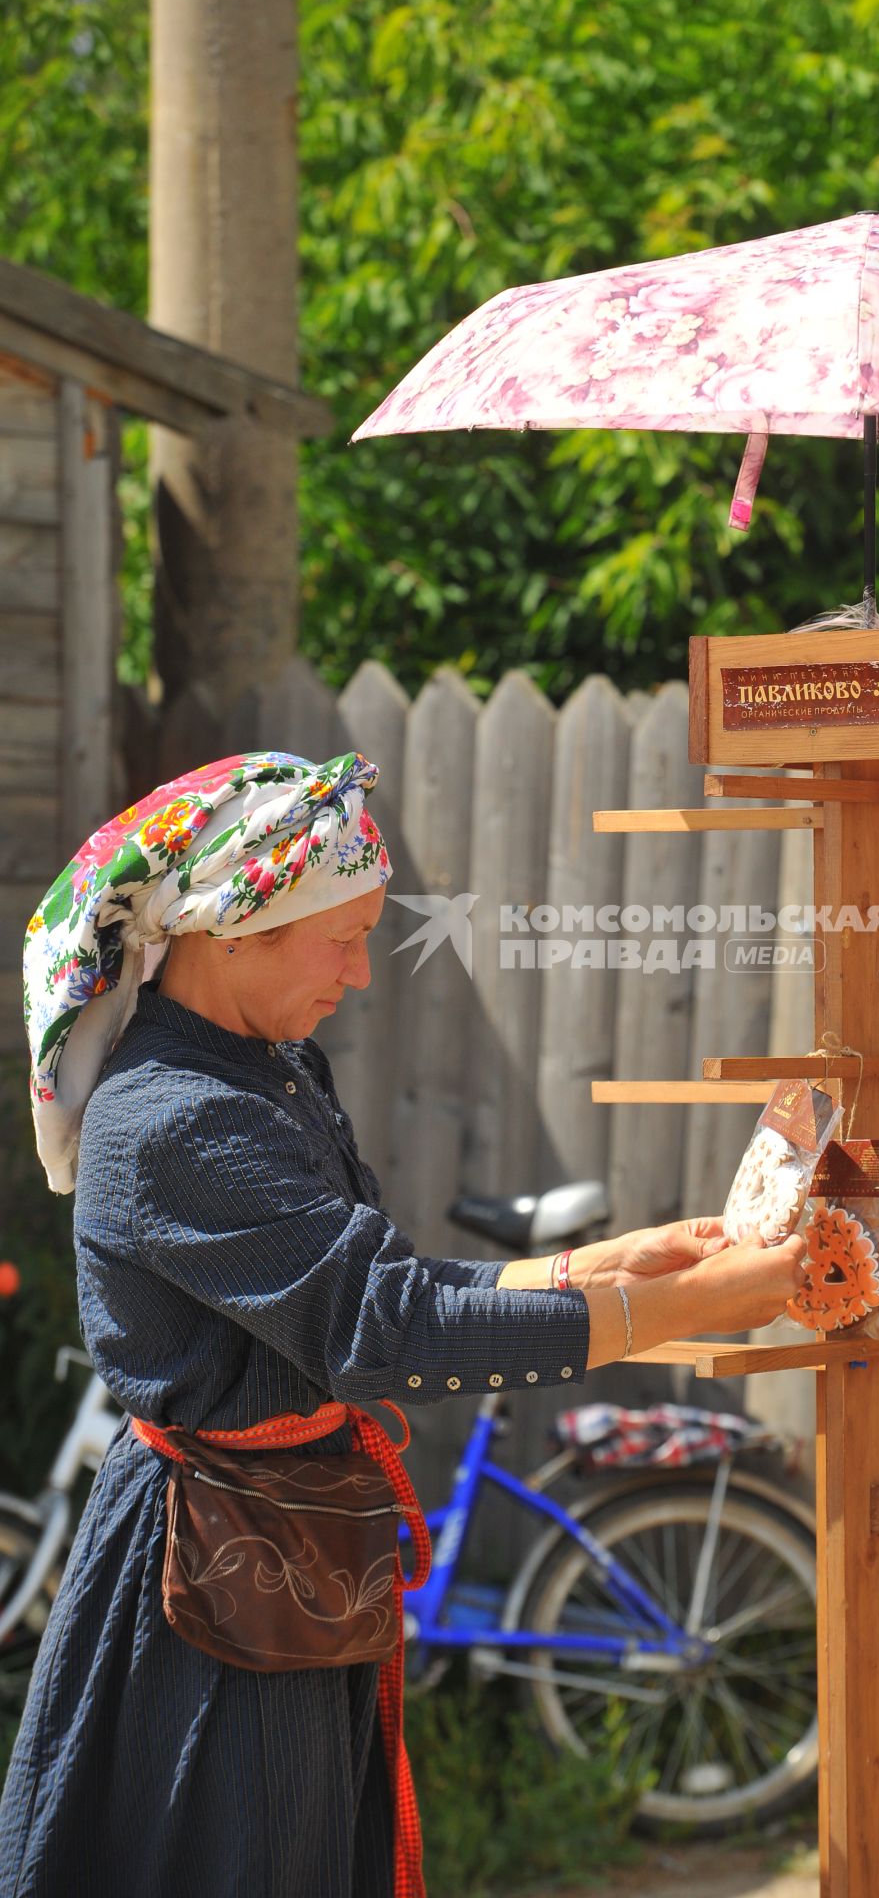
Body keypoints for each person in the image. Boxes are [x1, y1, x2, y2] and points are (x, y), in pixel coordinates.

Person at [0, 749, 804, 1898]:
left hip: (284, 1553)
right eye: (343, 936)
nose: (362, 973)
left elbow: (376, 1288)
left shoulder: (268, 1073)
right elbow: (384, 1330)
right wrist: (675, 1309)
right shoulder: (175, 1121)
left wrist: (604, 1264)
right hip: (215, 1586)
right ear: (239, 929)